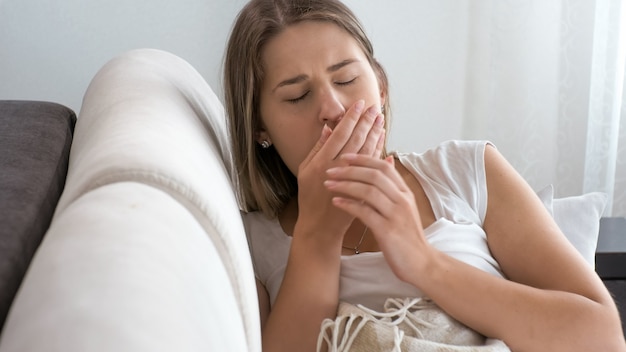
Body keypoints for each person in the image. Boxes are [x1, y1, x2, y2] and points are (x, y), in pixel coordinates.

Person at [223, 0, 625, 351]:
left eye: (346, 79)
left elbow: (602, 337)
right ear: (260, 127)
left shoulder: (466, 170)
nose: (332, 107)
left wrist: (422, 261)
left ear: (379, 87)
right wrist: (317, 236)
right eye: (298, 96)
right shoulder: (253, 243)